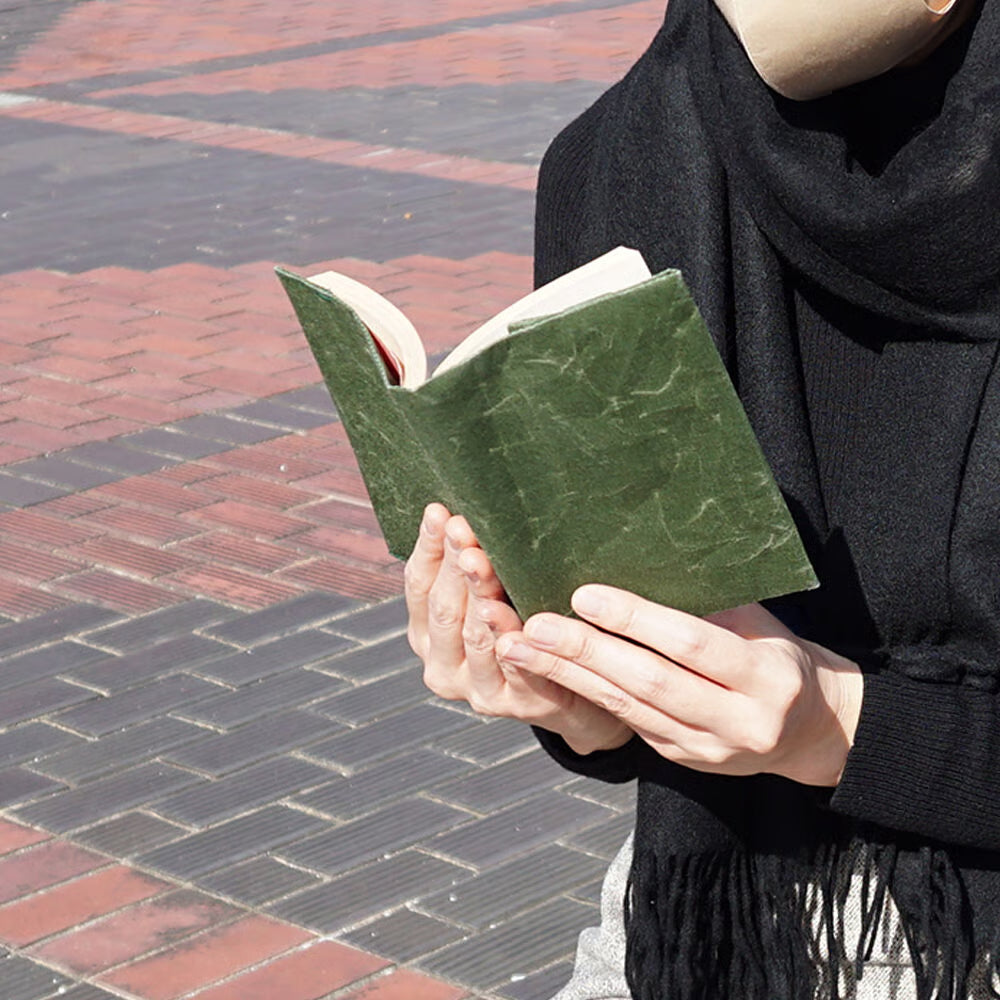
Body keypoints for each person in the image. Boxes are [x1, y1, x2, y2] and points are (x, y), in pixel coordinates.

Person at [405, 0, 1000, 995]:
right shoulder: (625, 152)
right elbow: (642, 671)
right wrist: (577, 696)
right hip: (719, 912)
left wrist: (843, 727)